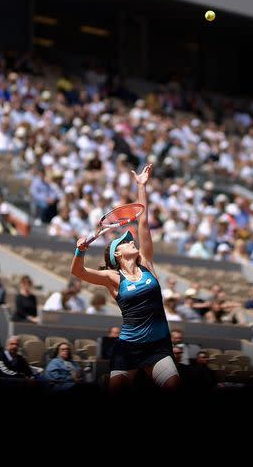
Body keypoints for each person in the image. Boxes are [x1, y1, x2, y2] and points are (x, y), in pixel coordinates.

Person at [70, 164, 180, 391]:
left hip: (158, 347)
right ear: (117, 254)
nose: (132, 241)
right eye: (126, 242)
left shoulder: (147, 264)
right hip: (128, 348)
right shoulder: (113, 277)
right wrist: (80, 251)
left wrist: (142, 186)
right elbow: (78, 272)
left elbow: (143, 221)